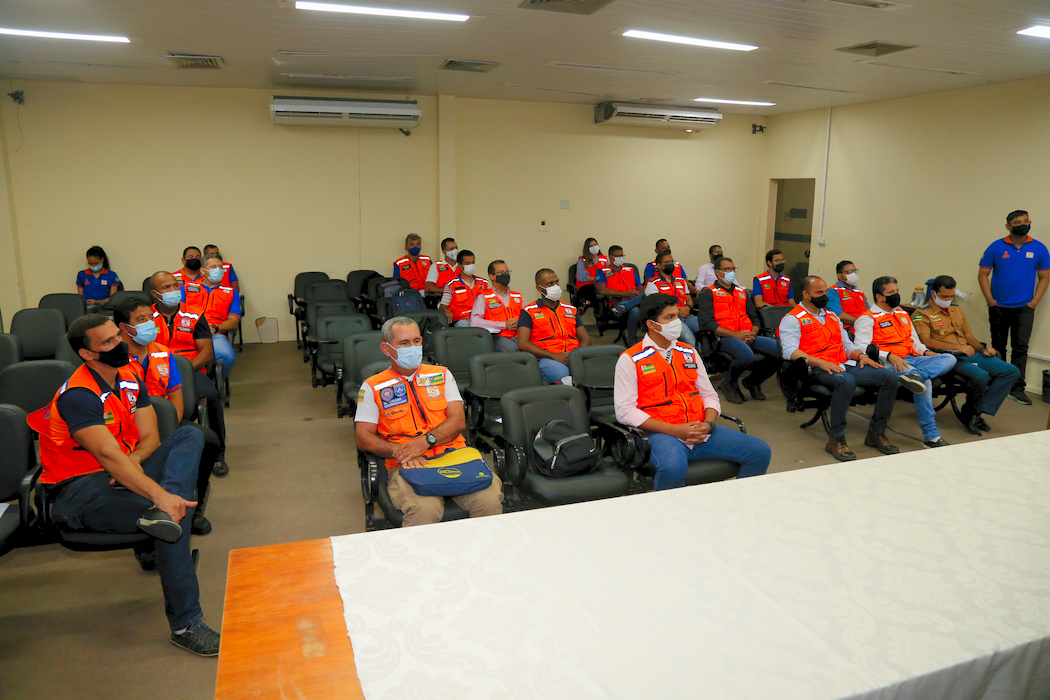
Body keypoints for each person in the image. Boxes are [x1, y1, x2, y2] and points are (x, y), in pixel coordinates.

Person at [27, 314, 220, 656]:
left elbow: (150, 438)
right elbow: (106, 454)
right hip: (76, 490)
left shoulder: (129, 375)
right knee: (169, 516)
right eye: (108, 342)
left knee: (190, 434)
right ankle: (186, 625)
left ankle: (165, 512)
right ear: (87, 354)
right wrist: (158, 494)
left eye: (118, 336)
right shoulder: (78, 395)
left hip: (122, 469)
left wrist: (135, 462)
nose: (119, 344)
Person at [354, 317, 503, 526]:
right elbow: (363, 437)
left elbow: (458, 421)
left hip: (453, 454)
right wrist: (402, 452)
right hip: (408, 464)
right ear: (387, 349)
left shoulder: (441, 375)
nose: (412, 347)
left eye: (416, 341)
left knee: (489, 500)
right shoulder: (372, 387)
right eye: (404, 343)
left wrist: (426, 441)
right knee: (425, 509)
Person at [614, 294, 771, 490]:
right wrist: (676, 430)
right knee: (673, 468)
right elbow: (625, 411)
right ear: (652, 324)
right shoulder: (631, 359)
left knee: (760, 452)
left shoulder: (688, 352)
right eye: (669, 317)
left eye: (677, 316)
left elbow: (709, 395)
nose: (677, 322)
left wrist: (708, 424)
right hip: (660, 433)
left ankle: (740, 503)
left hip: (699, 429)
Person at [114, 296, 217, 538]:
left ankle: (194, 509)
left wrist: (167, 433)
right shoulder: (113, 360)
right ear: (124, 328)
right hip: (128, 430)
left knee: (209, 441)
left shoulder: (163, 353)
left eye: (150, 318)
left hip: (165, 424)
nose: (149, 323)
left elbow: (176, 402)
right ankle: (145, 520)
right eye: (141, 319)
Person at [779, 276, 901, 462]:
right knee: (846, 381)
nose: (824, 296)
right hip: (815, 368)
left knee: (889, 377)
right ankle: (836, 439)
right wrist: (821, 362)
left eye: (825, 292)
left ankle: (876, 433)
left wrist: (861, 356)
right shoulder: (792, 319)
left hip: (842, 364)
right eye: (819, 293)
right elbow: (789, 351)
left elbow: (846, 345)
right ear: (806, 294)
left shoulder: (831, 316)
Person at [853, 276, 956, 449]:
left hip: (911, 359)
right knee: (926, 383)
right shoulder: (868, 318)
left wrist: (926, 352)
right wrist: (888, 356)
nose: (896, 295)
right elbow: (860, 346)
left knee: (949, 358)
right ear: (879, 296)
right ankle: (931, 436)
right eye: (891, 292)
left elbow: (914, 341)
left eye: (897, 291)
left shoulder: (902, 313)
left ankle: (916, 376)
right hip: (888, 362)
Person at [912, 275, 1019, 435]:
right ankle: (973, 414)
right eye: (944, 296)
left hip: (968, 352)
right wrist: (958, 347)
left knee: (1011, 371)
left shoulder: (956, 310)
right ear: (933, 294)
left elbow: (968, 336)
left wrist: (983, 349)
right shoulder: (921, 313)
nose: (948, 300)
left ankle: (975, 412)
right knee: (981, 376)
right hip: (947, 357)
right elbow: (926, 341)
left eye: (951, 296)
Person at [151, 271, 229, 477]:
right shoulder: (146, 318)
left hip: (192, 372)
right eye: (166, 287)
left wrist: (182, 372)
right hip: (155, 374)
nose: (173, 290)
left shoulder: (194, 314)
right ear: (155, 294)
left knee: (211, 396)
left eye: (175, 286)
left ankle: (218, 455)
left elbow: (207, 352)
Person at [977, 209, 1050, 405]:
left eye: (1025, 221)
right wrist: (990, 300)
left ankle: (1017, 389)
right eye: (1017, 222)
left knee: (1020, 348)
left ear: (1030, 223)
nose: (1022, 225)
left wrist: (1034, 302)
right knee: (998, 346)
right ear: (1008, 226)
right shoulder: (996, 247)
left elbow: (1045, 277)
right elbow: (983, 274)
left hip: (1024, 308)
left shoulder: (1039, 248)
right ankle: (997, 385)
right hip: (998, 306)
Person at [696, 257, 780, 404]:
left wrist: (752, 332)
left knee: (781, 350)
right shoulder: (709, 294)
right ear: (718, 272)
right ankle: (728, 383)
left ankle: (752, 381)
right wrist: (736, 335)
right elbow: (707, 324)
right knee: (746, 356)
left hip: (748, 335)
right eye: (727, 269)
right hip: (723, 337)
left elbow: (755, 319)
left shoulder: (742, 293)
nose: (731, 272)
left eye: (733, 269)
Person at [518, 268, 592, 384]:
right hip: (547, 358)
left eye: (556, 282)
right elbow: (523, 343)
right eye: (549, 283)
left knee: (597, 371)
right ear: (539, 288)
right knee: (565, 376)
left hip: (574, 355)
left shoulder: (570, 309)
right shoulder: (529, 312)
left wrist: (576, 355)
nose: (555, 286)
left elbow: (586, 338)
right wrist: (554, 356)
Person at [183, 253, 240, 379]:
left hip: (214, 333)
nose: (218, 270)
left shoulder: (231, 293)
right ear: (203, 271)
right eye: (213, 267)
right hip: (187, 331)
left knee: (227, 357)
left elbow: (234, 321)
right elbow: (177, 312)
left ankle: (214, 384)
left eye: (220, 267)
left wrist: (215, 327)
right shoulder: (186, 288)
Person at [644, 250, 699, 348]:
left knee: (706, 329)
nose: (670, 264)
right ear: (658, 266)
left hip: (686, 315)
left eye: (671, 261)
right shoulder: (653, 284)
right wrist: (676, 311)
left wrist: (688, 307)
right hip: (670, 320)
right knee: (690, 340)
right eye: (667, 262)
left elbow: (689, 299)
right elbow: (655, 307)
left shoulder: (681, 281)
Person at [594, 245, 644, 343]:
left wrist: (637, 293)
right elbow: (602, 290)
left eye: (622, 255)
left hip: (633, 299)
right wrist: (625, 294)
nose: (620, 258)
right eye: (617, 256)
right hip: (617, 301)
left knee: (647, 292)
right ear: (610, 257)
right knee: (635, 311)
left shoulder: (629, 270)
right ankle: (632, 340)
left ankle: (624, 308)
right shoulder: (602, 272)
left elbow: (641, 289)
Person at [470, 260, 523, 352]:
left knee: (531, 346)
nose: (505, 275)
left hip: (518, 335)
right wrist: (504, 325)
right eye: (501, 272)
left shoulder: (517, 296)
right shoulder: (484, 297)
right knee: (512, 348)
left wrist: (519, 324)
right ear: (492, 276)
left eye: (507, 272)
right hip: (496, 337)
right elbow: (474, 322)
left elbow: (528, 318)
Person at [439, 250, 489, 327]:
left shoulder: (483, 282)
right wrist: (446, 310)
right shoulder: (452, 284)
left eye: (473, 262)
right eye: (467, 263)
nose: (471, 266)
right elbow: (443, 306)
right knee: (467, 330)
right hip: (463, 320)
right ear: (460, 265)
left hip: (482, 318)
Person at [826, 260, 867, 332]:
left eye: (854, 271)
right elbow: (838, 315)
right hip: (846, 329)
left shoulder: (859, 292)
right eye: (849, 272)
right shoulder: (833, 291)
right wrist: (862, 322)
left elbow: (868, 312)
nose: (853, 274)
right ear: (839, 276)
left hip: (864, 328)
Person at [574, 237, 608, 312]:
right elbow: (581, 277)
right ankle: (600, 315)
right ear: (587, 248)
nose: (594, 247)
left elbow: (609, 274)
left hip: (601, 285)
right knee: (596, 291)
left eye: (595, 245)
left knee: (601, 292)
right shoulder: (582, 260)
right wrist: (597, 279)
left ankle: (586, 303)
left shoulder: (604, 259)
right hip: (586, 286)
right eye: (591, 246)